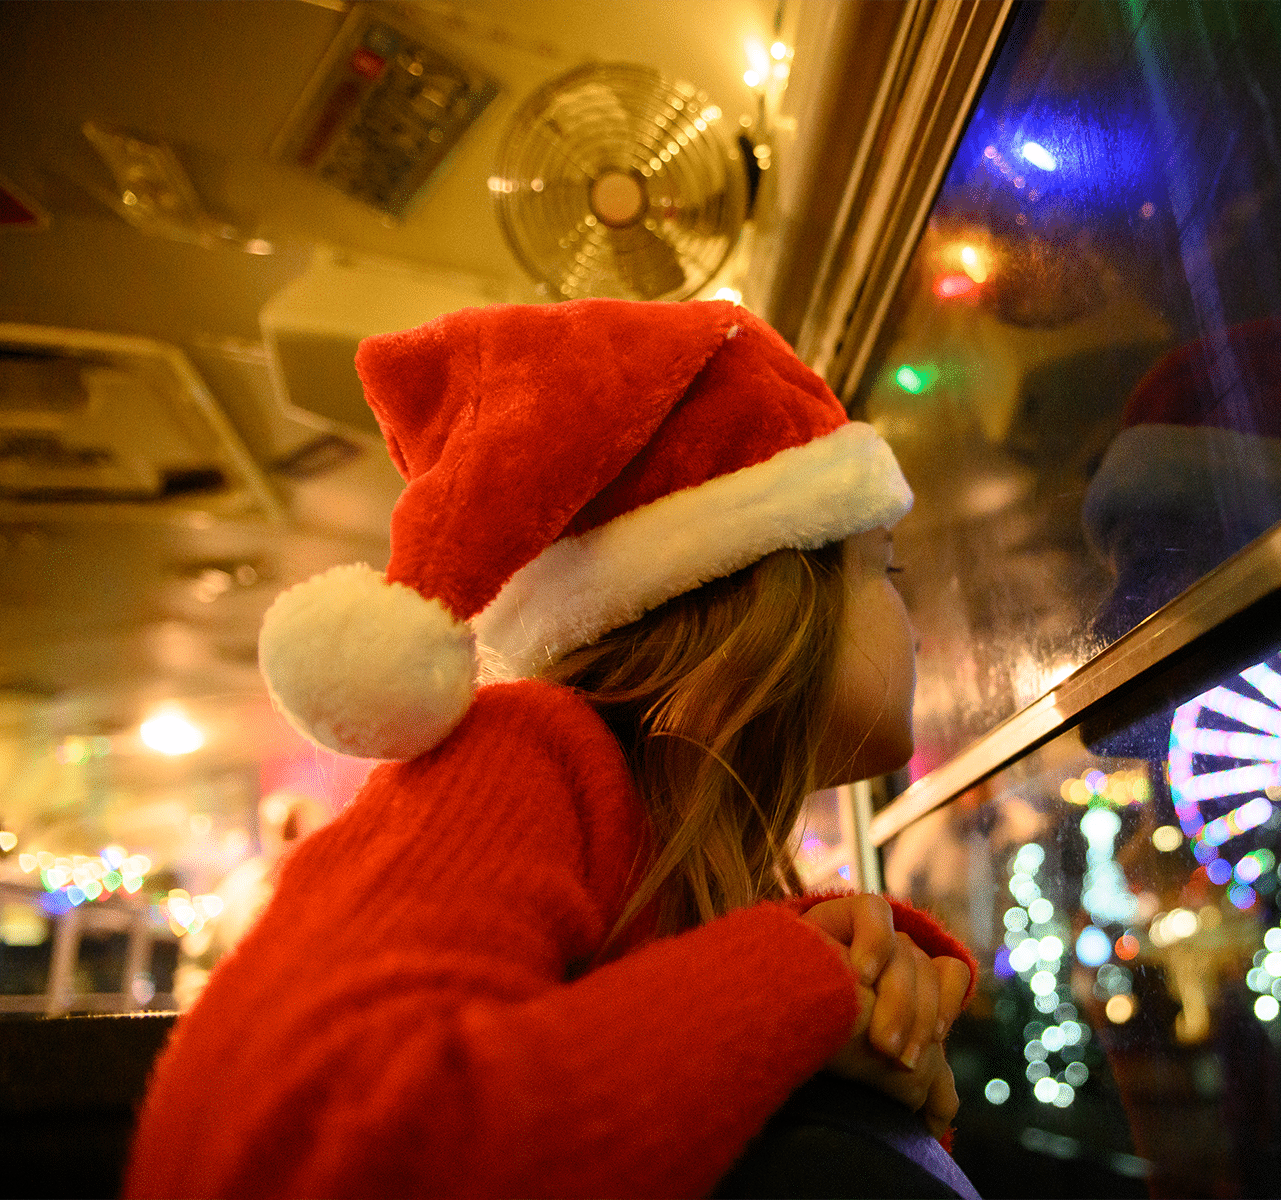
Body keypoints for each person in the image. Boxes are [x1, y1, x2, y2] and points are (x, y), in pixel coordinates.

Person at [125, 299, 976, 1198]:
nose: (917, 636)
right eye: (886, 567)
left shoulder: (686, 868)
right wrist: (800, 986)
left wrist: (860, 979)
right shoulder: (526, 753)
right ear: (768, 597)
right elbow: (296, 1148)